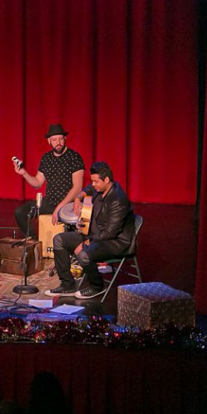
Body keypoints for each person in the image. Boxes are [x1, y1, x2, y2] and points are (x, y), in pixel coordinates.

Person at [45, 161, 135, 299]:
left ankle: (97, 286)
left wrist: (86, 243)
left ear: (106, 180)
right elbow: (89, 188)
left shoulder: (118, 200)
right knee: (59, 240)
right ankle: (68, 284)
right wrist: (78, 197)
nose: (93, 185)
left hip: (115, 242)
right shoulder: (101, 187)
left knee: (83, 254)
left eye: (95, 181)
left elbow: (109, 233)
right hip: (95, 235)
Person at [14, 124, 85, 236]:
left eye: (61, 139)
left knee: (69, 229)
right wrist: (24, 173)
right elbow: (38, 183)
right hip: (49, 202)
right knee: (20, 212)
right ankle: (33, 242)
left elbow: (77, 188)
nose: (58, 142)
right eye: (54, 140)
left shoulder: (74, 157)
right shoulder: (46, 158)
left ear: (65, 138)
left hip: (68, 204)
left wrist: (58, 208)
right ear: (49, 141)